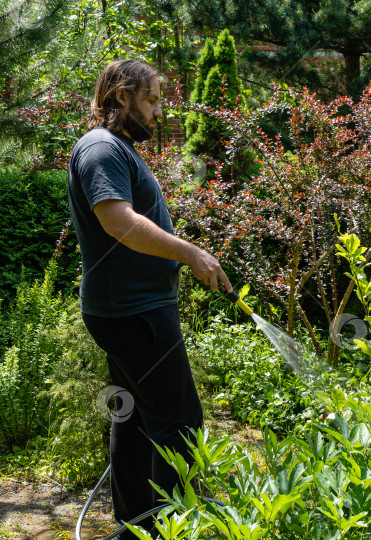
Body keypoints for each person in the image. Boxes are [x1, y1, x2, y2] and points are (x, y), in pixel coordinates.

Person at [67, 59, 232, 539]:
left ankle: (135, 527)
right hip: (134, 311)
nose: (161, 113)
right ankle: (169, 530)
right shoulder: (101, 149)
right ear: (121, 98)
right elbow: (119, 223)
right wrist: (191, 253)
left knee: (134, 415)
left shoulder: (113, 148)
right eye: (154, 99)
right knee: (179, 420)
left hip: (128, 309)